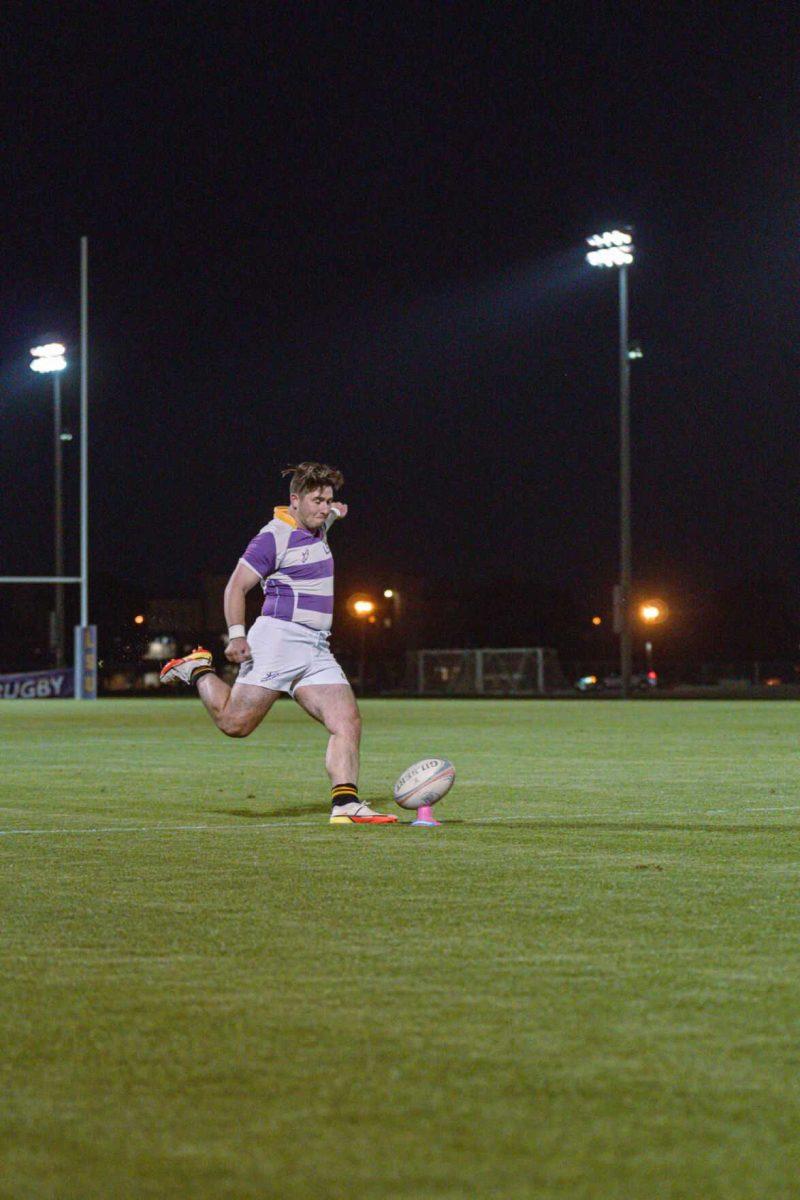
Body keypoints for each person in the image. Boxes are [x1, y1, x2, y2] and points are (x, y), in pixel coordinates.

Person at [160, 462, 397, 825]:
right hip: (278, 640)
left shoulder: (318, 525)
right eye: (317, 500)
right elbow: (235, 587)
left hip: (316, 647)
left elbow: (326, 517)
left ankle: (346, 804)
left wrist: (334, 513)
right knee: (234, 725)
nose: (324, 507)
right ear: (294, 500)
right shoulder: (272, 537)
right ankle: (198, 669)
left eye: (329, 500)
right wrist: (237, 634)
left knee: (347, 721)